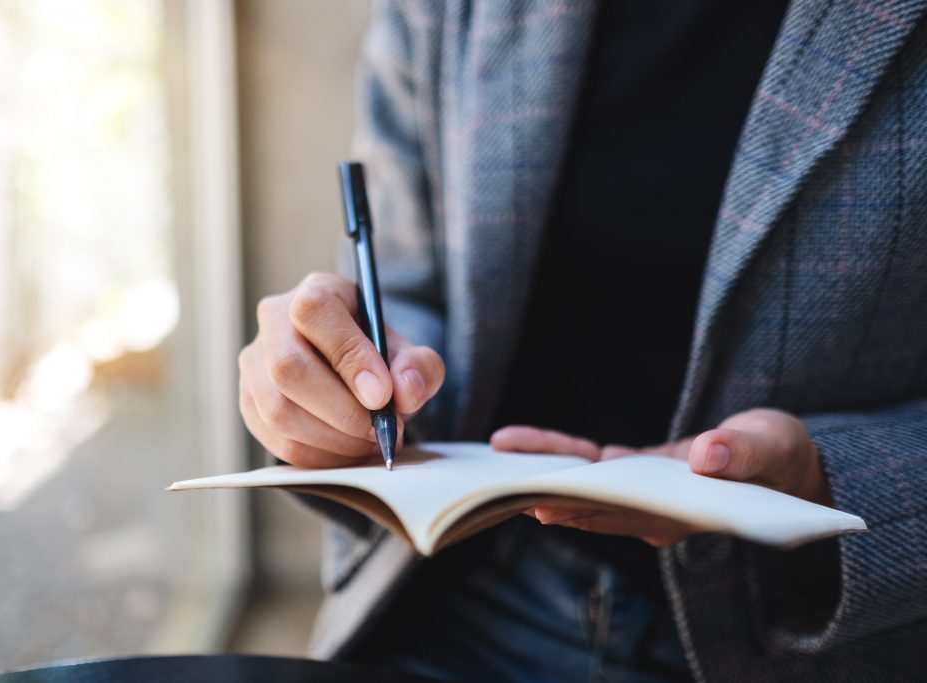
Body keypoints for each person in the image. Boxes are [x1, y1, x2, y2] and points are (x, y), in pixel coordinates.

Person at [237, 1, 927, 681]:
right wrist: (336, 385)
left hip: (814, 635)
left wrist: (822, 472)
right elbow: (410, 291)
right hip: (456, 600)